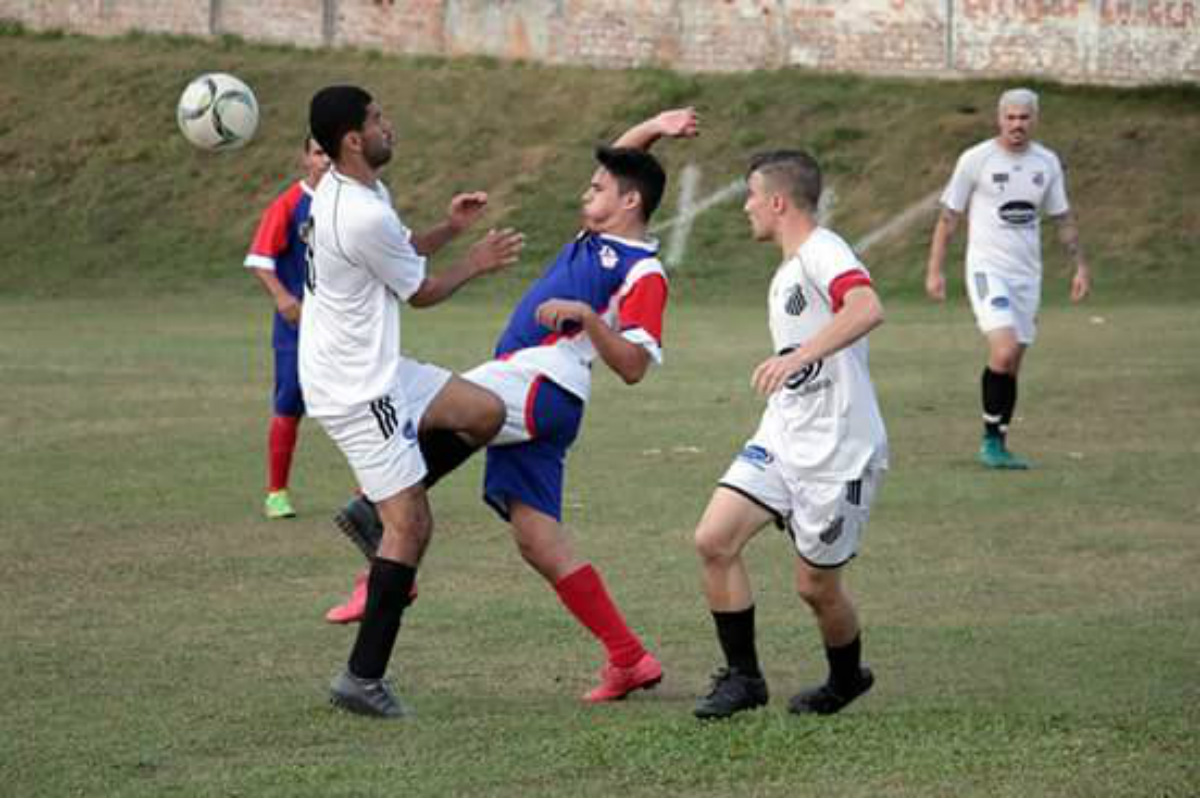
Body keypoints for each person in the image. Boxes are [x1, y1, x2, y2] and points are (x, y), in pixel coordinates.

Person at [328, 107, 700, 703]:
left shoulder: (643, 270)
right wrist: (656, 124)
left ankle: (382, 550)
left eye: (597, 188)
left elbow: (633, 365)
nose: (586, 192)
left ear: (629, 202)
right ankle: (629, 658)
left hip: (538, 383)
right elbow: (623, 162)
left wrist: (588, 320)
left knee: (412, 401)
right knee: (539, 542)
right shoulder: (595, 239)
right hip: (538, 399)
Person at [302, 84, 524, 719]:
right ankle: (362, 678)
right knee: (413, 526)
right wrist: (475, 262)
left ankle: (369, 509)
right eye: (377, 119)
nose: (388, 125)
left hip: (372, 366)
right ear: (353, 139)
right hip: (357, 386)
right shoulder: (358, 211)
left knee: (484, 412)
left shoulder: (354, 190)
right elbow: (420, 292)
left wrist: (451, 228)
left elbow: (400, 252)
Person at [691, 150, 888, 720]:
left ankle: (846, 679)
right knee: (713, 540)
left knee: (816, 587)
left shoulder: (824, 250)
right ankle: (744, 679)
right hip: (783, 436)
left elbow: (867, 307)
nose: (746, 208)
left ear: (777, 201)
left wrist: (797, 356)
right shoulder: (788, 271)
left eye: (751, 196)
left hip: (839, 449)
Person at [925, 87, 1091, 469]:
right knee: (1003, 349)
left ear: (1035, 120)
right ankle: (989, 442)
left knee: (1013, 360)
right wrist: (935, 270)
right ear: (999, 119)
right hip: (987, 269)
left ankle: (999, 442)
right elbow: (948, 218)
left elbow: (1062, 218)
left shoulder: (1046, 162)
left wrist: (1080, 266)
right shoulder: (976, 159)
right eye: (1011, 117)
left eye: (1024, 117)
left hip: (1027, 275)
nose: (1017, 124)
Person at [244, 136, 331, 519]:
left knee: (359, 402)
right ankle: (277, 492)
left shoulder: (352, 204)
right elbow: (260, 259)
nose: (326, 161)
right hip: (297, 327)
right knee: (289, 403)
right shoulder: (289, 204)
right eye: (318, 153)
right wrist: (283, 297)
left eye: (330, 153)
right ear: (305, 159)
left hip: (342, 326)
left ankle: (369, 491)